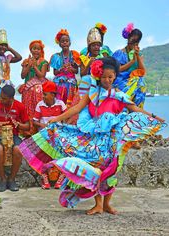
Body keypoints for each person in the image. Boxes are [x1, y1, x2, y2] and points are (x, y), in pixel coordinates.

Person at [14, 57, 165, 215]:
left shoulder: (118, 94)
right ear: (99, 75)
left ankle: (107, 204)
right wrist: (57, 119)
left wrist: (153, 116)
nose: (107, 80)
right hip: (94, 138)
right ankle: (98, 204)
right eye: (104, 76)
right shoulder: (93, 93)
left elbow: (135, 109)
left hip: (112, 138)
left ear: (115, 77)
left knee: (111, 171)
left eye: (110, 77)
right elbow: (77, 108)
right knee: (96, 169)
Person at [0, 85, 29, 192]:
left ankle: (11, 179)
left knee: (18, 150)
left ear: (11, 98)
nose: (1, 100)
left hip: (14, 136)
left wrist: (19, 125)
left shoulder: (19, 106)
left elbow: (28, 126)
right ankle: (3, 179)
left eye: (4, 98)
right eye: (1, 97)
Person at [33, 81, 67, 189]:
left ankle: (61, 179)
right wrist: (42, 125)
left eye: (45, 94)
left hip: (58, 135)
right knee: (44, 155)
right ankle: (45, 179)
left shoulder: (60, 104)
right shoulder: (40, 105)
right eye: (43, 93)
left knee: (63, 154)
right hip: (45, 135)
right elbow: (34, 121)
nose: (43, 96)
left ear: (52, 95)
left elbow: (67, 118)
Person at [113, 23, 146, 108]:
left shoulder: (139, 54)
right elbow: (117, 69)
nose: (134, 44)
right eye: (133, 41)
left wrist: (137, 56)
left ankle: (137, 109)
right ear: (128, 38)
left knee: (141, 81)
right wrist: (132, 62)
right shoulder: (119, 53)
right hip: (120, 82)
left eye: (137, 42)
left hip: (132, 82)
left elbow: (142, 72)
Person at [19, 40, 49, 134]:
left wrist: (35, 66)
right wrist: (29, 65)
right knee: (27, 110)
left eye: (38, 49)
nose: (36, 51)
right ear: (31, 50)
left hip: (38, 91)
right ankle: (28, 131)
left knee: (37, 109)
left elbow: (41, 76)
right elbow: (23, 76)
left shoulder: (43, 62)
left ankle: (39, 131)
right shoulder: (26, 61)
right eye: (34, 48)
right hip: (27, 91)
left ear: (41, 51)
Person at [0, 29, 22, 103]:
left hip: (6, 86)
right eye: (1, 45)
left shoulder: (7, 58)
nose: (3, 47)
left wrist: (9, 48)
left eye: (5, 46)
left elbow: (19, 57)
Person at [50, 29, 80, 107]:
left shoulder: (74, 55)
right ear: (59, 44)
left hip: (71, 82)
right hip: (60, 82)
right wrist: (61, 69)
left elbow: (76, 71)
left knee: (71, 102)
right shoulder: (56, 56)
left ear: (70, 43)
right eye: (62, 41)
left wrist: (71, 69)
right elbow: (55, 72)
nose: (65, 42)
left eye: (67, 41)